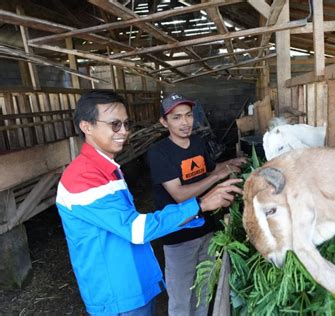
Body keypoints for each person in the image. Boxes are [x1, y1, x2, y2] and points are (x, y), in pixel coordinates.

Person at [55, 90, 242, 315]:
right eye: (114, 124)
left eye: (126, 124)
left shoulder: (107, 168)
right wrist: (200, 204)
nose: (123, 132)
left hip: (134, 281)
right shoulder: (84, 177)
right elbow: (135, 229)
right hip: (116, 293)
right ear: (87, 126)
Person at [147, 93, 247, 316]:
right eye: (176, 117)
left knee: (203, 289)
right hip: (179, 235)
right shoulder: (159, 153)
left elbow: (207, 170)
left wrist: (229, 163)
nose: (185, 122)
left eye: (189, 115)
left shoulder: (198, 143)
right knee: (181, 296)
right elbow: (180, 194)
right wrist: (216, 178)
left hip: (207, 230)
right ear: (164, 122)